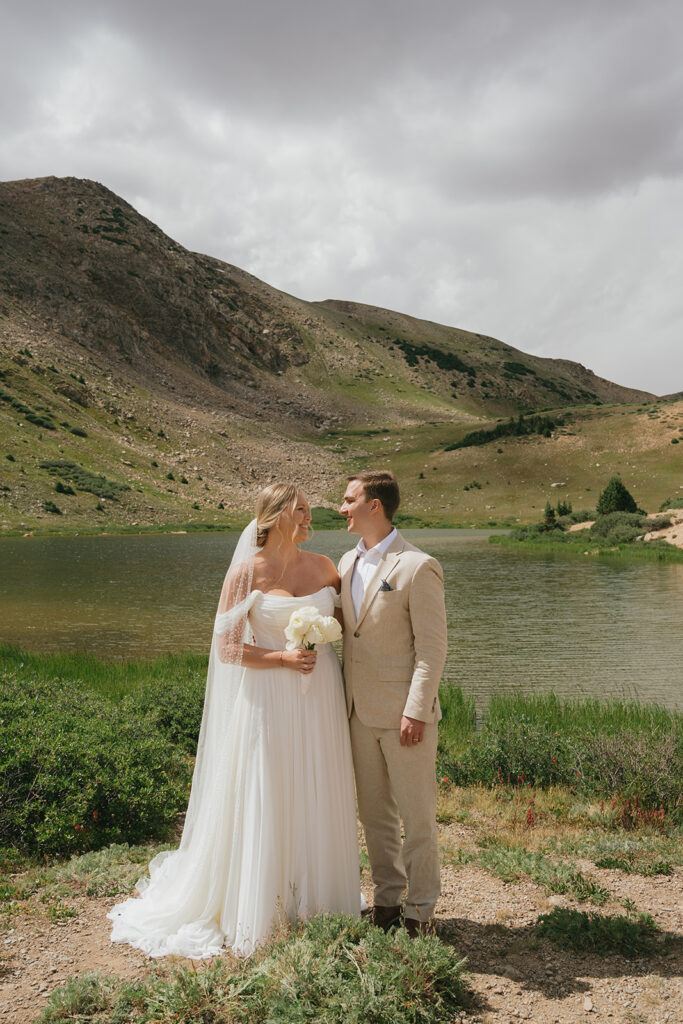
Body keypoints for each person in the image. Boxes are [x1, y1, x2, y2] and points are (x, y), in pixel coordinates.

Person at [108, 483, 360, 958]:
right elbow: (227, 649)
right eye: (301, 510)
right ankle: (262, 905)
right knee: (269, 787)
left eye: (308, 510)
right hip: (268, 694)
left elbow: (352, 628)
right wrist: (283, 658)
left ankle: (318, 902)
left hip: (319, 694)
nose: (310, 517)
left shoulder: (326, 568)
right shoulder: (246, 573)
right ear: (277, 515)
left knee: (318, 785)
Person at [338, 470, 447, 937]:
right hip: (357, 712)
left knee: (417, 816)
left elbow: (432, 649)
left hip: (405, 716)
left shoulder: (418, 566)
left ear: (374, 506)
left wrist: (416, 710)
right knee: (374, 814)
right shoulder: (344, 562)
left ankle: (421, 909)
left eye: (348, 500)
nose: (341, 508)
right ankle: (386, 902)